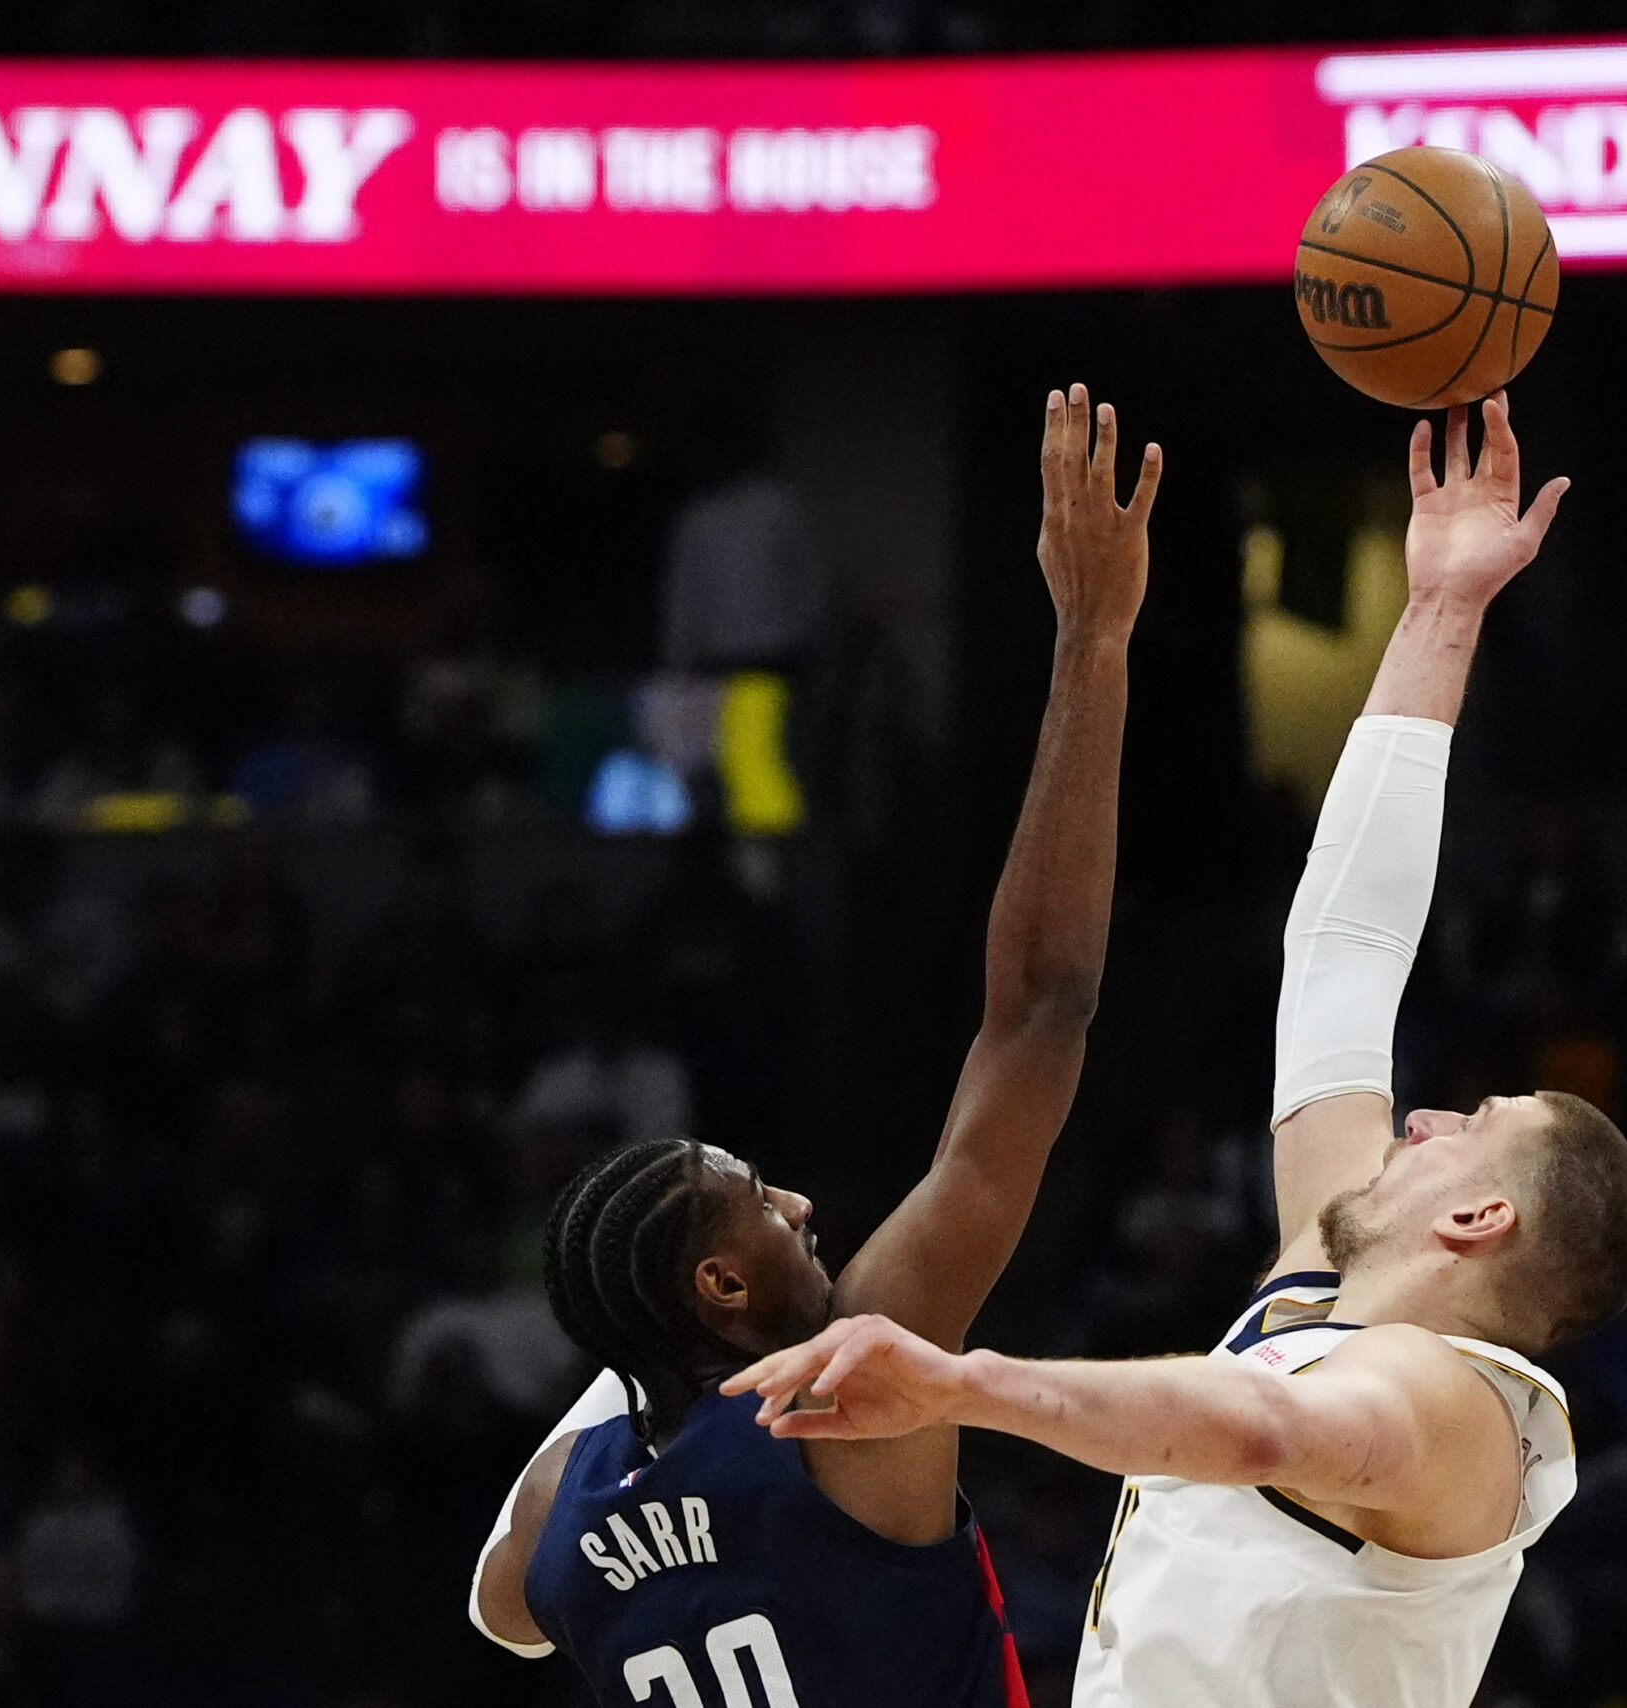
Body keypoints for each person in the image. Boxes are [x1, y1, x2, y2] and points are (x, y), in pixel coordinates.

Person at [729, 392, 1627, 1708]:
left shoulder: (1457, 1408)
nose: (1424, 1119)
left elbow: (1264, 1428)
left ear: (1479, 1212)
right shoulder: (1321, 1285)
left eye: (1474, 1120)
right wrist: (1442, 612)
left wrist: (967, 1383)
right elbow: (1342, 952)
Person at [467, 385, 1162, 1708]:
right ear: (720, 1290)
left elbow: (500, 1612)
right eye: (762, 1209)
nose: (799, 1205)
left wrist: (634, 1365)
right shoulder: (851, 1392)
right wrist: (1092, 642)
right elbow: (1042, 1007)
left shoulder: (562, 1519)